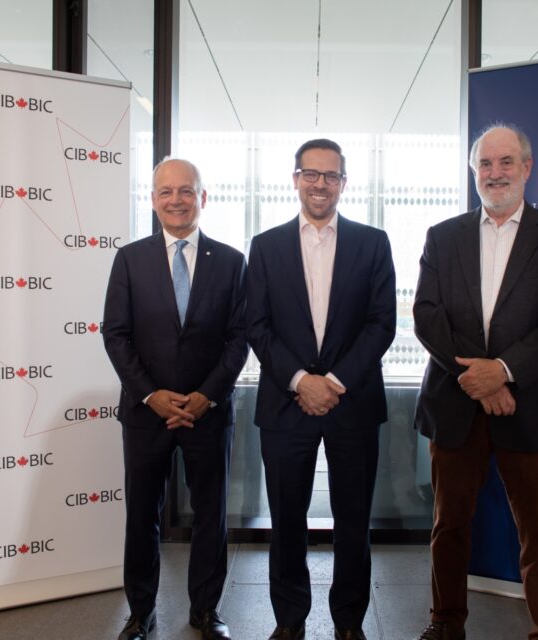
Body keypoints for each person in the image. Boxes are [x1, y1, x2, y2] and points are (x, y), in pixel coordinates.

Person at [412, 125, 538, 640]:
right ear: (474, 172)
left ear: (527, 168)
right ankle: (445, 623)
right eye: (485, 165)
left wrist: (505, 371)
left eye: (505, 162)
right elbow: (427, 316)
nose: (495, 173)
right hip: (456, 402)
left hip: (530, 405)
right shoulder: (442, 236)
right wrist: (481, 379)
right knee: (449, 526)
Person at [246, 138, 397, 640]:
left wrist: (331, 383)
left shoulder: (373, 242)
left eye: (331, 176)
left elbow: (382, 324)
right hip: (285, 405)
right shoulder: (265, 246)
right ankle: (289, 620)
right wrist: (300, 381)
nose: (320, 184)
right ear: (295, 179)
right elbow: (258, 325)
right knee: (287, 519)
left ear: (344, 184)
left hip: (351, 402)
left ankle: (349, 621)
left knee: (353, 520)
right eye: (311, 174)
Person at [103, 158, 247, 640]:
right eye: (166, 192)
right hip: (147, 415)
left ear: (203, 198)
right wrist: (150, 395)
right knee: (142, 515)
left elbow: (238, 337)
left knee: (210, 515)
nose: (177, 200)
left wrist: (206, 396)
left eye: (187, 191)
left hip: (208, 412)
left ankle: (205, 611)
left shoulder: (230, 262)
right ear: (153, 200)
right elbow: (116, 335)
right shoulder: (130, 259)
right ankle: (141, 613)